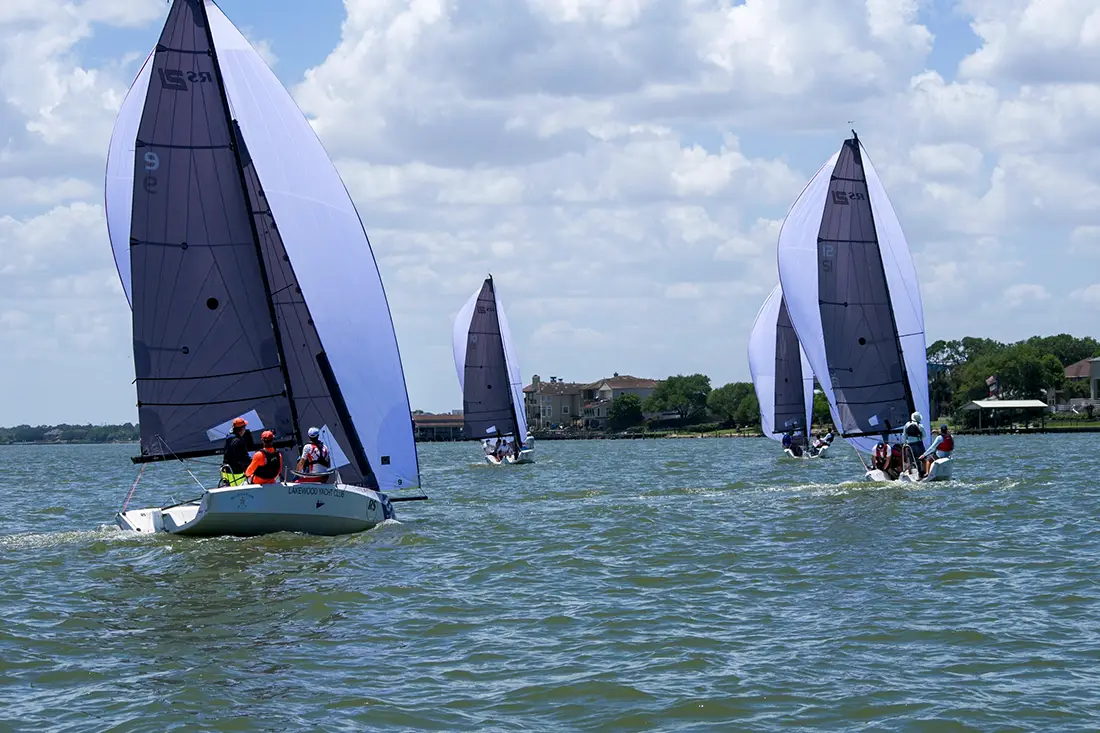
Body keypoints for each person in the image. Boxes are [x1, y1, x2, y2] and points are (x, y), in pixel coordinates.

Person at [220, 416, 254, 486]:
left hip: (226, 470)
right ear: (242, 429)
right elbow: (242, 458)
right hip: (235, 473)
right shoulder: (239, 441)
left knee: (228, 490)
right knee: (238, 494)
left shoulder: (229, 437)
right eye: (245, 427)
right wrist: (253, 462)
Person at [902, 411, 927, 478]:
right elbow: (924, 436)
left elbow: (904, 435)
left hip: (909, 445)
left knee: (910, 459)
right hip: (918, 444)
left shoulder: (907, 424)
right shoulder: (920, 426)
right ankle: (924, 473)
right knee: (923, 458)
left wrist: (905, 443)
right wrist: (920, 438)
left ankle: (910, 473)